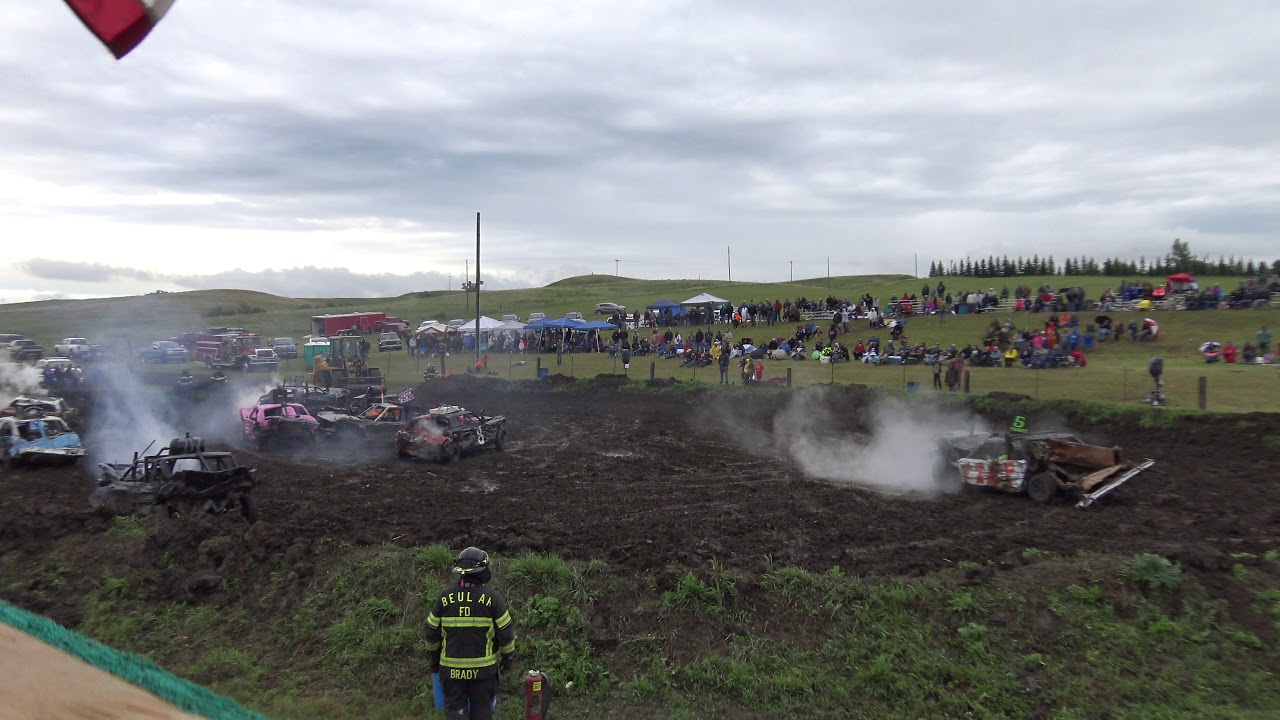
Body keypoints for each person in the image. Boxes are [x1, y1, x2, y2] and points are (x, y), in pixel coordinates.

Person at [425, 547, 516, 720]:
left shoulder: (444, 598)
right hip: (483, 673)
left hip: (451, 673)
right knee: (482, 712)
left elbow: (431, 633)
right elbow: (506, 635)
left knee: (455, 712)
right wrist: (507, 659)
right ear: (482, 570)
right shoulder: (493, 599)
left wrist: (434, 659)